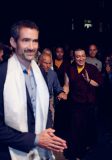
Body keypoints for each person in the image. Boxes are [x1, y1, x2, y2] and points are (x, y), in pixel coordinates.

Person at [0, 20, 67, 160]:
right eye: (25, 40)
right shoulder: (3, 74)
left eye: (35, 41)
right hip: (11, 152)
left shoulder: (40, 72)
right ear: (13, 42)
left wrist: (49, 135)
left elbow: (44, 107)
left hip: (41, 152)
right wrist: (35, 139)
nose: (31, 47)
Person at [65, 48, 102, 160]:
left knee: (87, 129)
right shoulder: (70, 69)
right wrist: (64, 92)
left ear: (85, 56)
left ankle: (86, 149)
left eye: (82, 56)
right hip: (76, 104)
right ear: (74, 58)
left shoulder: (92, 68)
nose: (80, 58)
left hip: (88, 104)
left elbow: (98, 84)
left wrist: (89, 80)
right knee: (76, 129)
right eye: (78, 56)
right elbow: (66, 85)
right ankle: (76, 154)